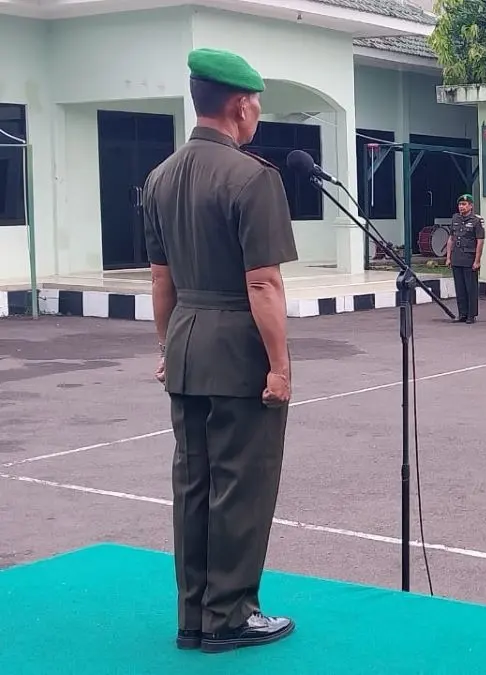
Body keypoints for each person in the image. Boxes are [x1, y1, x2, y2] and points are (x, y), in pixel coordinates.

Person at [142, 47, 296, 654]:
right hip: (238, 350)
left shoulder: (159, 177)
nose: (256, 112)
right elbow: (263, 284)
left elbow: (161, 279)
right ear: (240, 105)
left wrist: (166, 346)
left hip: (186, 343)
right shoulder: (253, 178)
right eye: (255, 102)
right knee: (241, 484)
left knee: (194, 484)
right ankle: (229, 615)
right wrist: (279, 367)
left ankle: (193, 616)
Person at [446, 194, 485, 324]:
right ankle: (462, 313)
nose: (461, 207)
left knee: (470, 288)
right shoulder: (455, 218)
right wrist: (448, 257)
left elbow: (480, 241)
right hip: (457, 257)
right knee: (460, 288)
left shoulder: (476, 221)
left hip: (469, 258)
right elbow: (451, 238)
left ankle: (471, 315)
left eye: (464, 204)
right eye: (460, 204)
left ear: (471, 206)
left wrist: (477, 260)